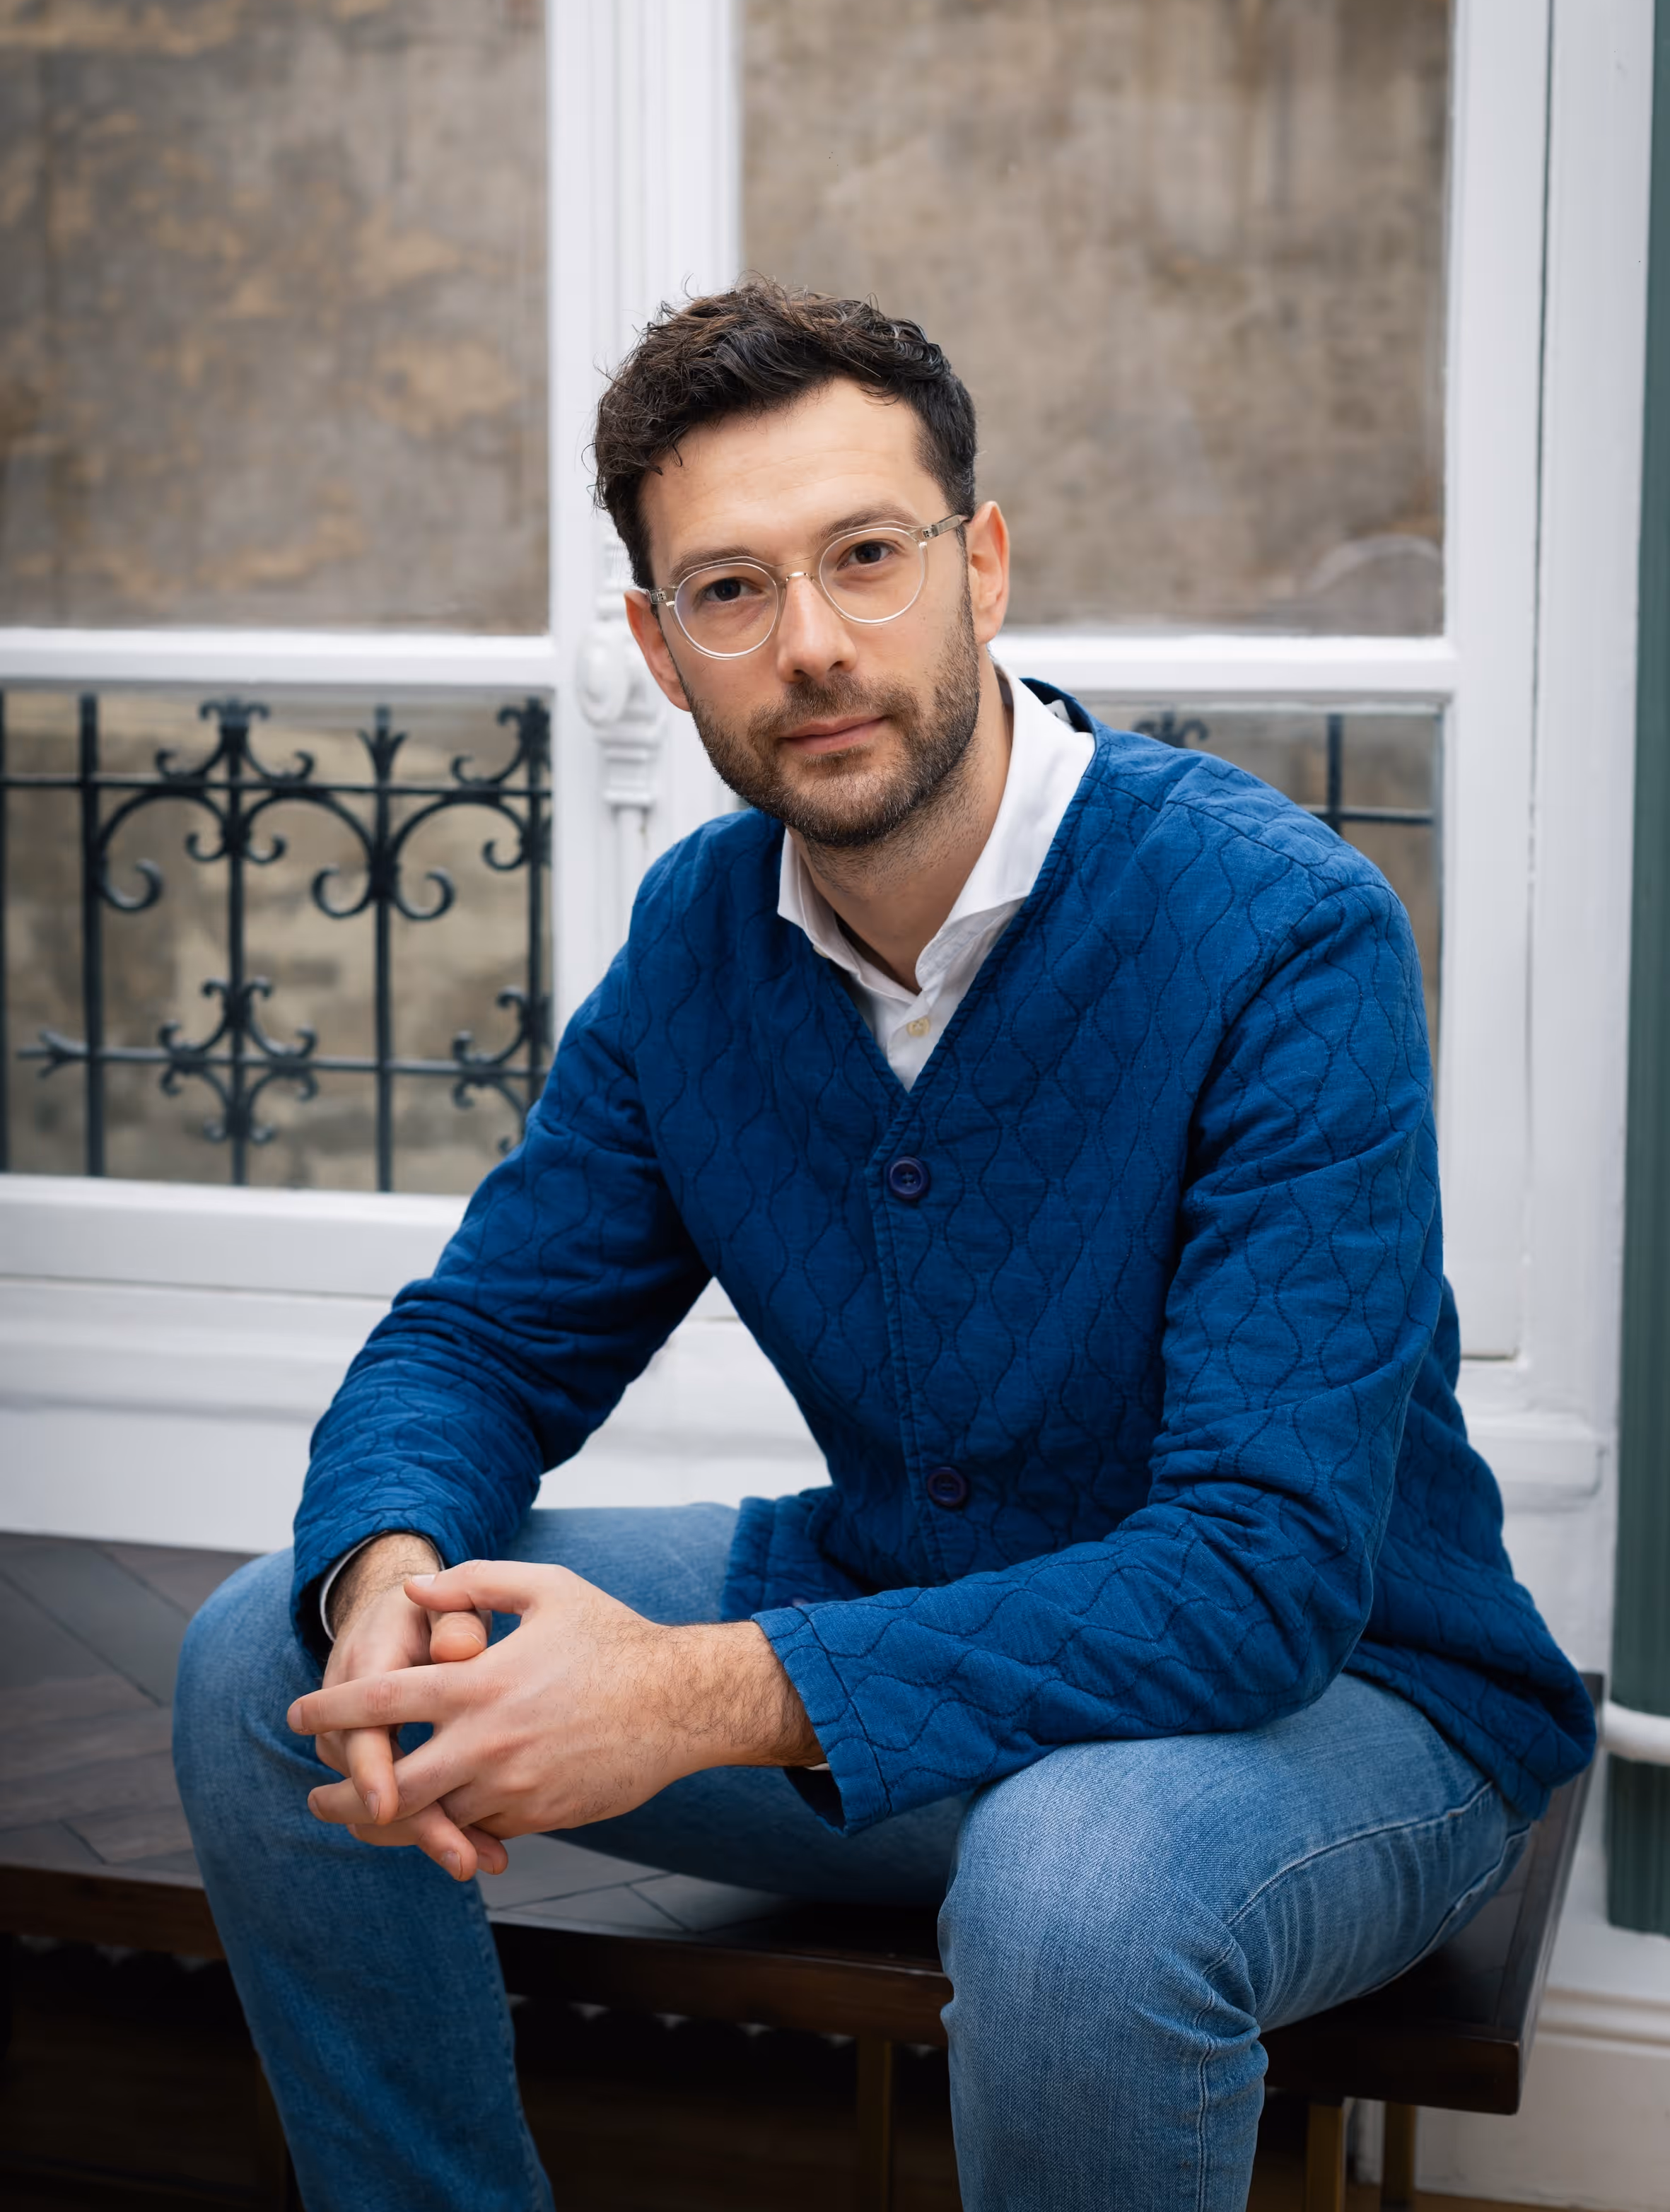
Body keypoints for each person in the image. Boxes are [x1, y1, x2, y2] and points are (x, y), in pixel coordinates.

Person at [176, 279, 1594, 2212]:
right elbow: (483, 1344)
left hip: (1345, 1702)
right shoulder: (703, 941)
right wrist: (389, 1579)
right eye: (733, 590)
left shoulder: (1281, 933)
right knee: (264, 1668)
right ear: (660, 651)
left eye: (866, 556)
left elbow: (1260, 1577)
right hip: (907, 1626)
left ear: (982, 565)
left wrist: (682, 1693)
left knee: (1077, 1886)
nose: (817, 644)